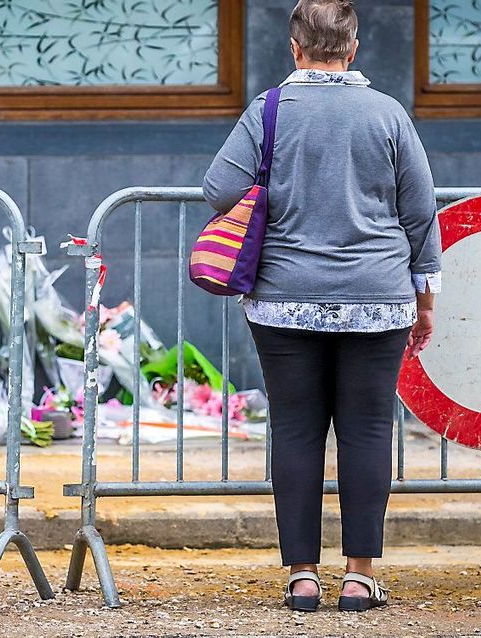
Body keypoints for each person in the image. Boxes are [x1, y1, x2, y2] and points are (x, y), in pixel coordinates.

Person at [202, 0, 442, 613]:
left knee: (297, 429)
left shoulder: (269, 111)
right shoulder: (389, 114)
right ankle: (359, 577)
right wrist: (426, 297)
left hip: (285, 298)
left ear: (295, 48)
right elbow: (420, 212)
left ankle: (303, 577)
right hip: (378, 298)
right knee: (366, 429)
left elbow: (219, 188)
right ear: (354, 47)